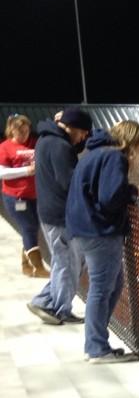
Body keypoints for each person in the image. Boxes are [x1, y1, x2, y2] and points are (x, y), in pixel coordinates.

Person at [66, 120, 139, 363]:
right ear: (131, 142)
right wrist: (131, 192)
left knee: (112, 284)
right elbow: (110, 198)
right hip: (99, 232)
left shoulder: (95, 153)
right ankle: (96, 348)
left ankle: (97, 341)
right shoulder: (114, 157)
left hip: (85, 229)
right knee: (101, 290)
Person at [27, 106, 93, 325]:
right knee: (68, 263)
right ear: (72, 127)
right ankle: (56, 308)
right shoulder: (60, 146)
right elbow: (71, 183)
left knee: (69, 262)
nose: (83, 138)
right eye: (82, 132)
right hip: (60, 215)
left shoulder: (46, 140)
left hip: (51, 212)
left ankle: (47, 301)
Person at [0, 114, 49, 277]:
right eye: (20, 131)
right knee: (28, 227)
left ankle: (26, 265)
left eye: (26, 130)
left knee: (32, 228)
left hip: (34, 195)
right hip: (15, 197)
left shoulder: (34, 143)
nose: (23, 134)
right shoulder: (5, 147)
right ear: (11, 130)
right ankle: (38, 267)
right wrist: (26, 171)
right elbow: (2, 173)